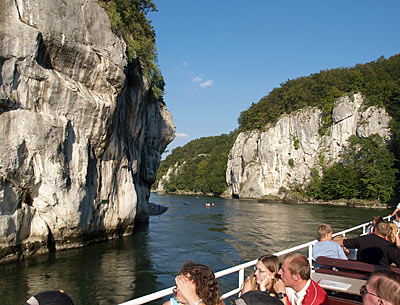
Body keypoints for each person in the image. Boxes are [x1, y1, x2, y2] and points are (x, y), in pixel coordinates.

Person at [335, 220, 400, 266]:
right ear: (389, 233)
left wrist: (326, 240)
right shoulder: (389, 247)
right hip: (380, 277)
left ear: (375, 229)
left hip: (359, 273)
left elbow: (342, 242)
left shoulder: (362, 239)